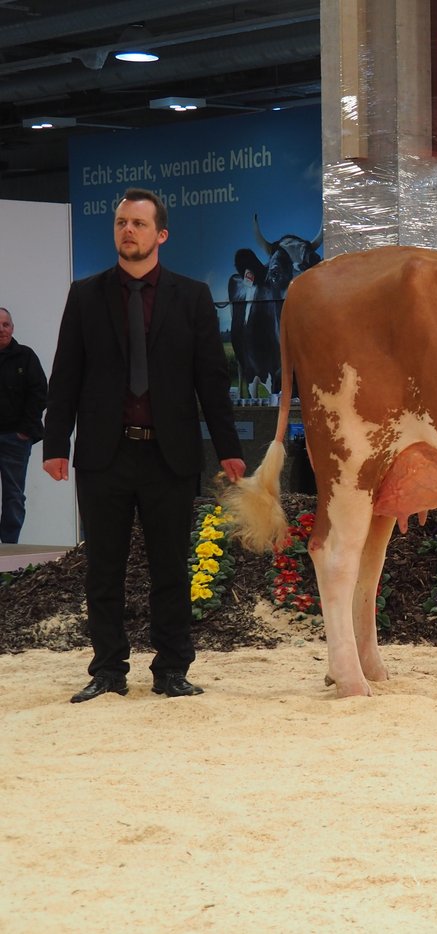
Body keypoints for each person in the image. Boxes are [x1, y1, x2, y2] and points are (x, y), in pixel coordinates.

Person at [43, 188, 246, 703]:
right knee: (103, 569)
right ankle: (108, 671)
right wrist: (54, 444)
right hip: (102, 456)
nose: (127, 230)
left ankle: (172, 670)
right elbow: (65, 375)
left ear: (161, 234)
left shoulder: (193, 296)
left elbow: (212, 380)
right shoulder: (85, 295)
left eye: (137, 223)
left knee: (170, 569)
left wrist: (228, 446)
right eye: (120, 222)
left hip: (169, 455)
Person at [0, 307, 48, 543]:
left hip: (14, 440)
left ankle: (8, 550)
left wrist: (24, 431)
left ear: (12, 328)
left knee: (13, 496)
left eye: (5, 324)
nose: (1, 329)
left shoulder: (25, 356)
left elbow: (40, 393)